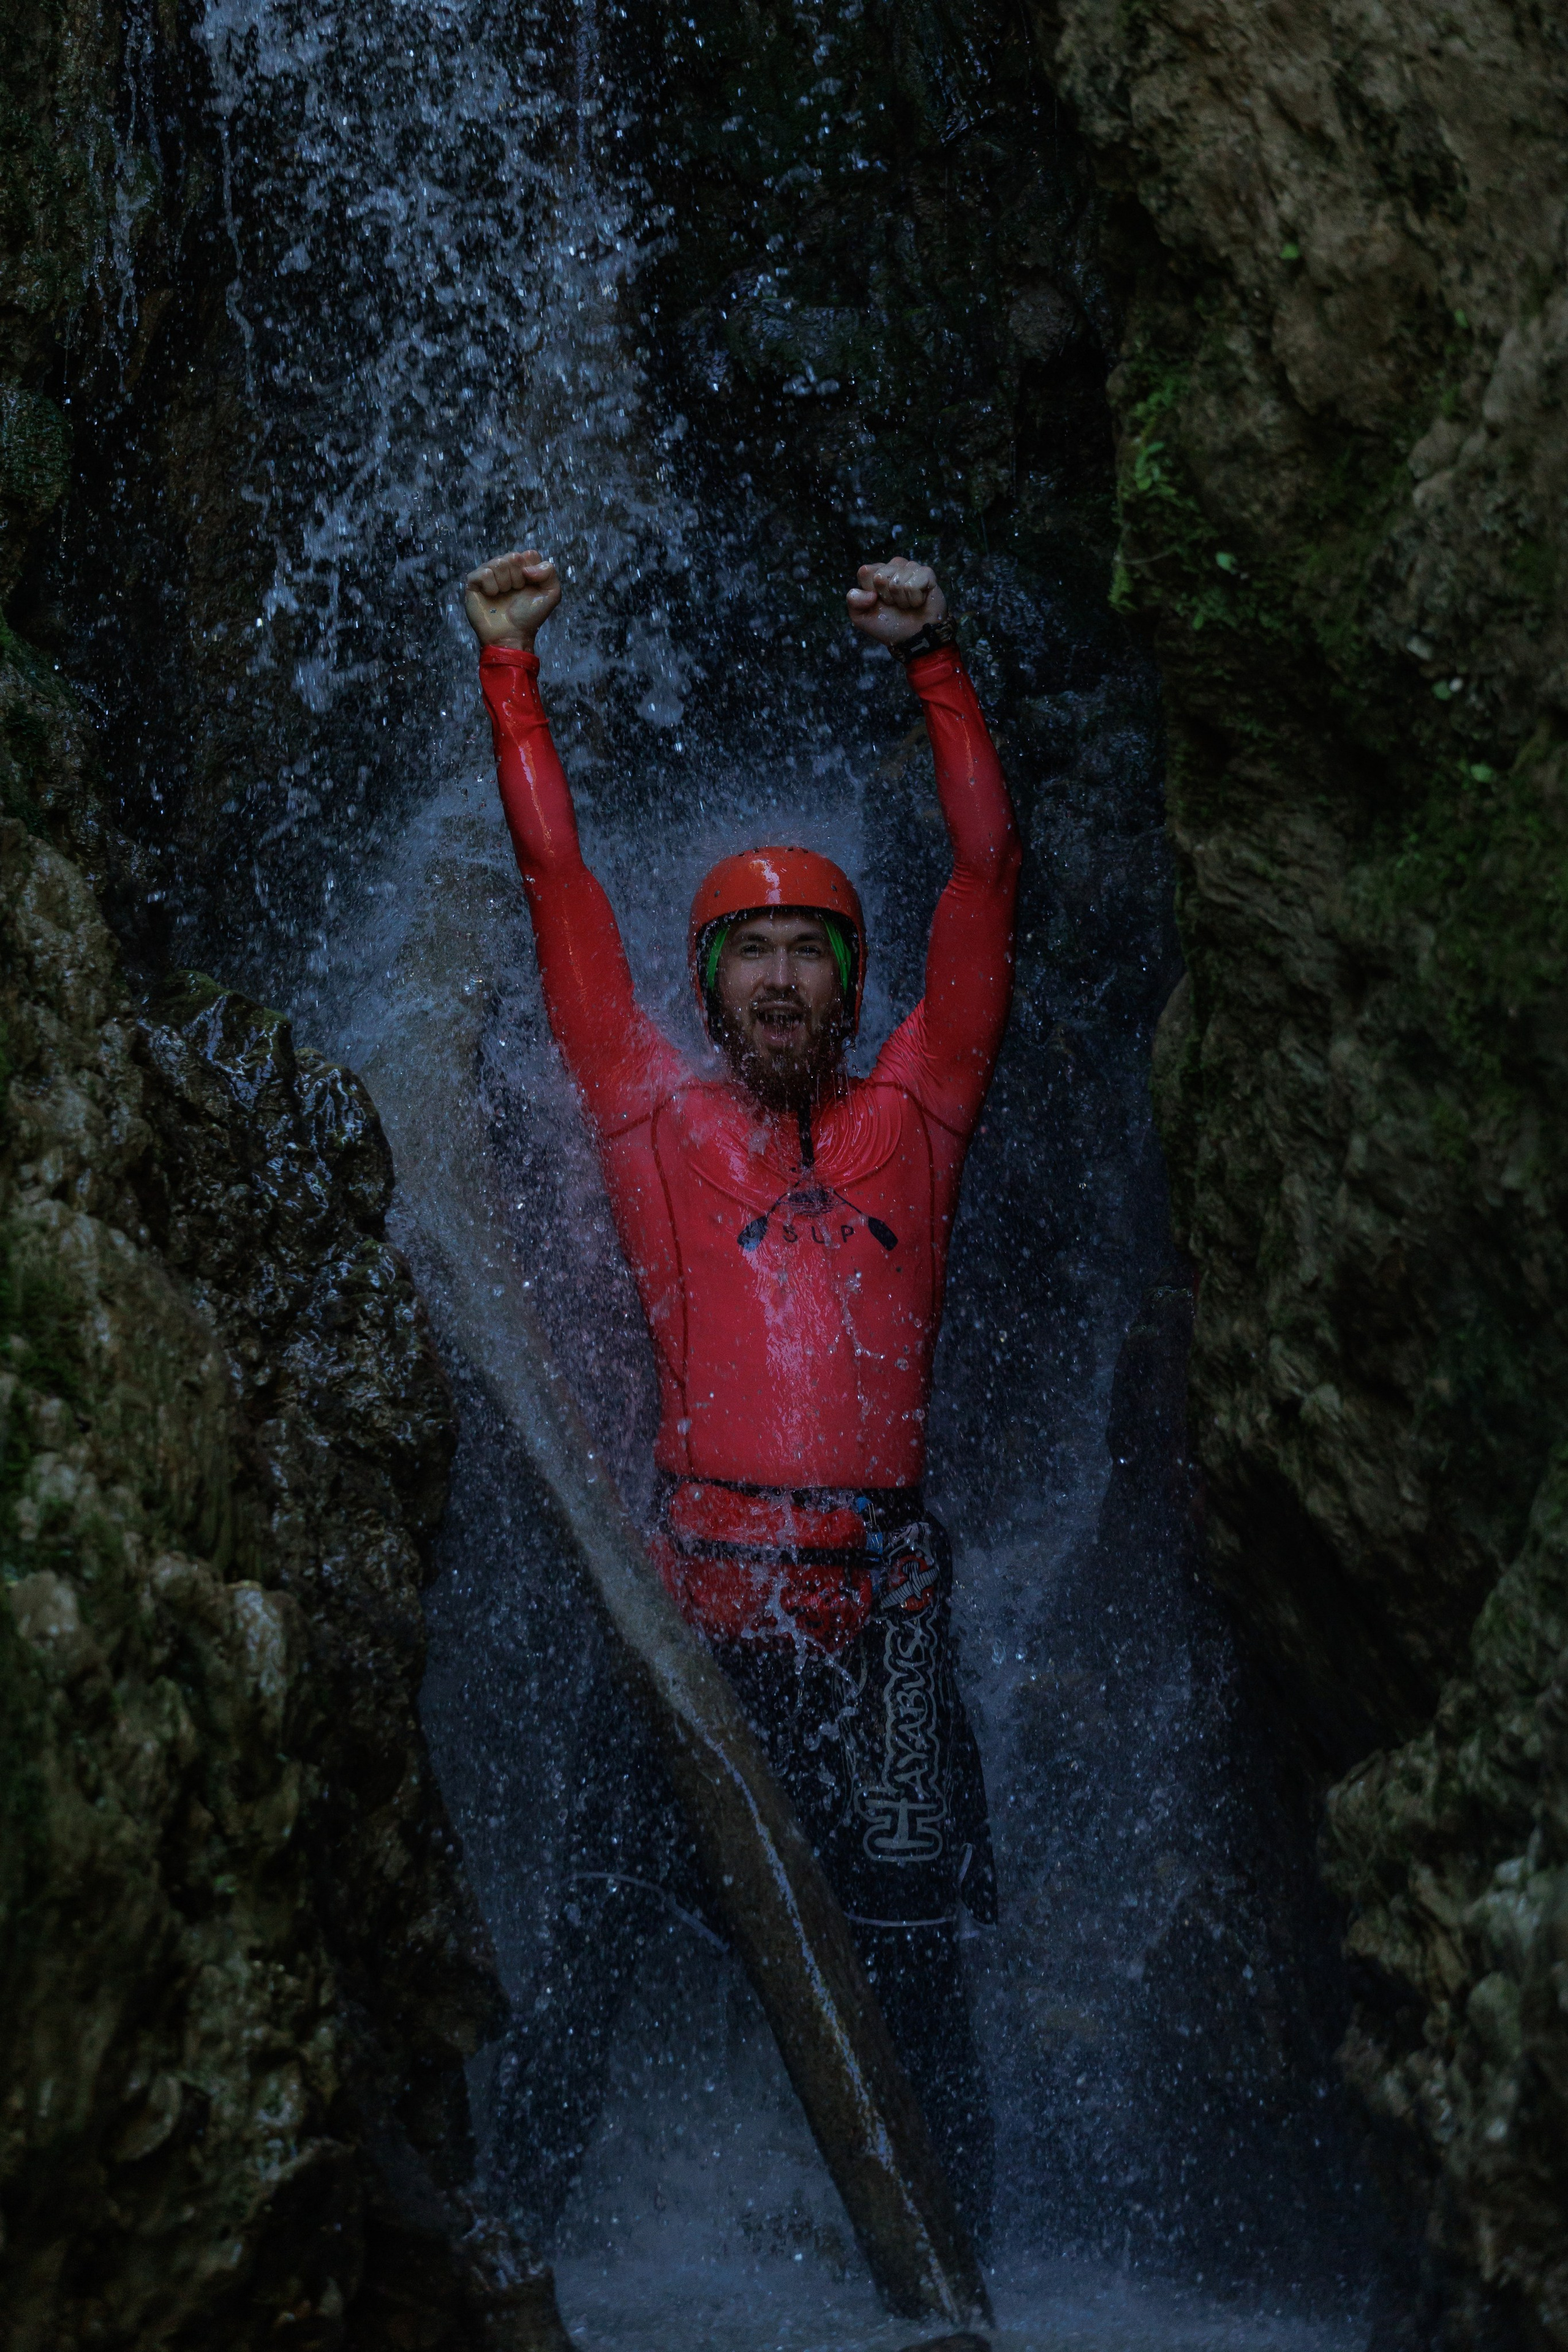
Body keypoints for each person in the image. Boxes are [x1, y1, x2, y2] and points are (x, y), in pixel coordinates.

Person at [465, 547, 1021, 2246]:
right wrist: (509, 674)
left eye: (809, 953)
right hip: (698, 1629)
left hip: (886, 1631)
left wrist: (937, 665)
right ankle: (503, 2259)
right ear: (703, 987)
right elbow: (558, 886)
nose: (780, 980)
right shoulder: (649, 1118)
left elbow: (988, 874)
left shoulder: (920, 1110)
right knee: (591, 1954)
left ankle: (960, 2289)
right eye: (749, 954)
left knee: (925, 1986)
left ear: (852, 986)